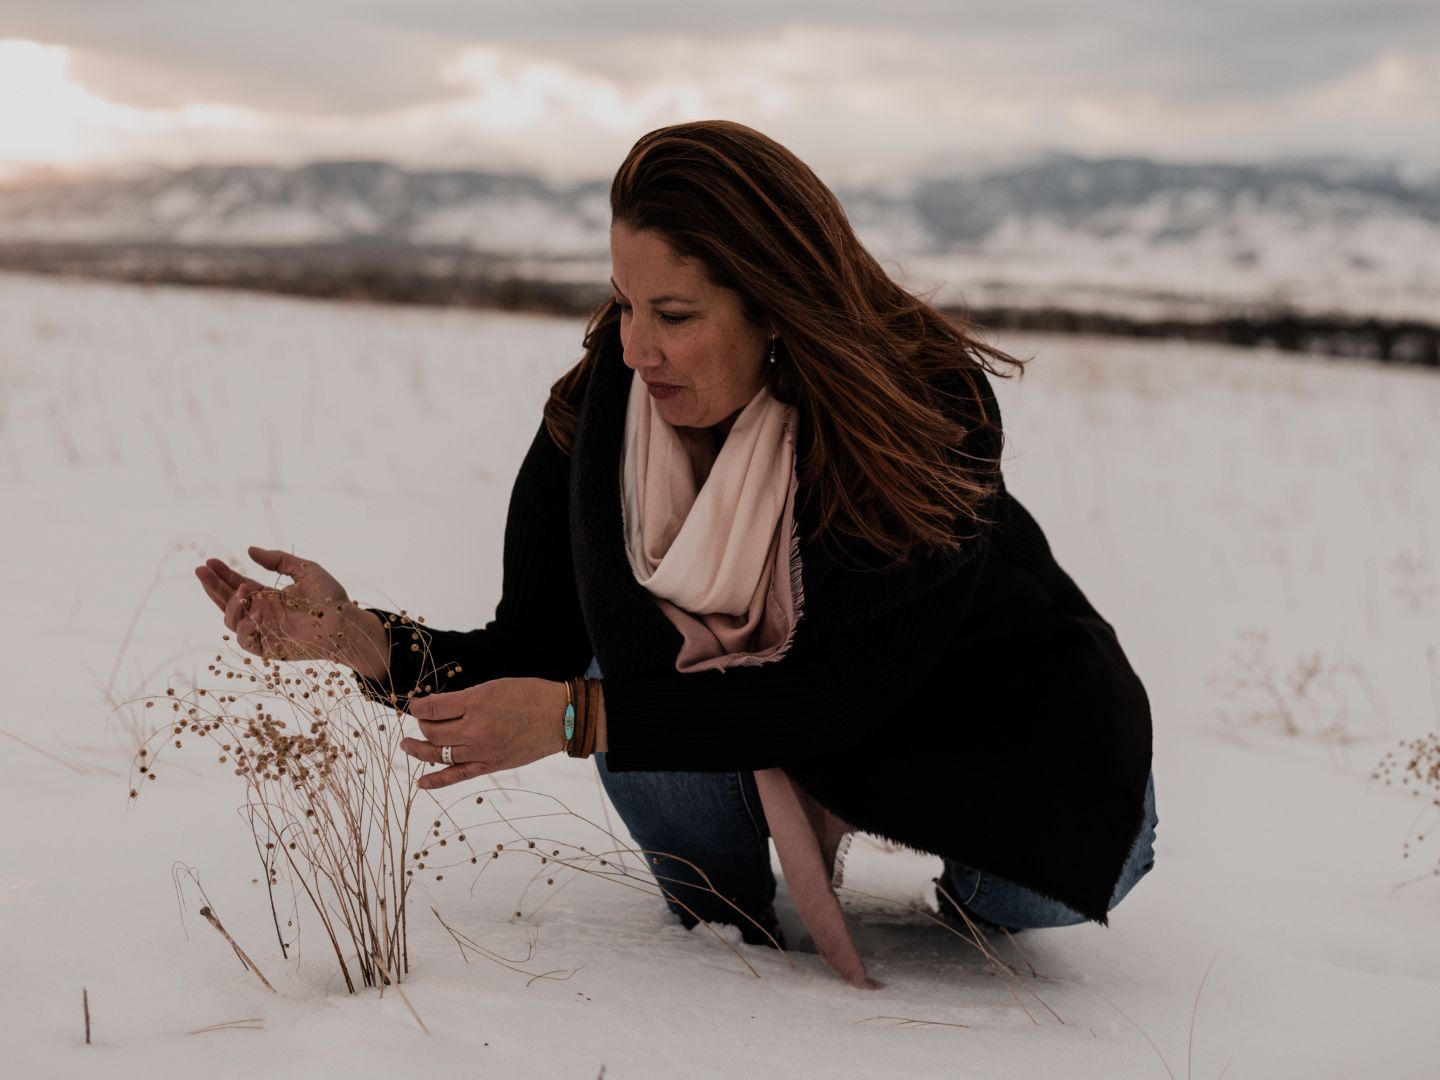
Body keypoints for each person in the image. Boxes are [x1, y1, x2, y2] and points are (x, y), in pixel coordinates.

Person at [195, 120, 1156, 989]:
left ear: (776, 305)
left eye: (676, 315)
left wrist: (577, 716)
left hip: (983, 714)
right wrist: (360, 641)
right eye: (624, 305)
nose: (636, 349)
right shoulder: (598, 423)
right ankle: (729, 933)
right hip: (748, 719)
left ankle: (988, 874)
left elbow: (836, 693)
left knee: (1033, 892)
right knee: (619, 684)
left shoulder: (920, 413)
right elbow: (533, 646)